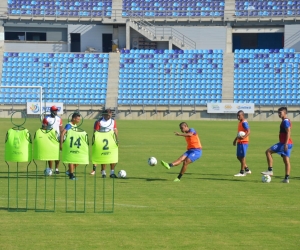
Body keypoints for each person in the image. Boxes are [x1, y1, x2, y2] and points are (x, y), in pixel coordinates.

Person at [261, 107, 293, 183]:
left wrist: (285, 143)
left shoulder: (285, 121)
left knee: (268, 151)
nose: (279, 114)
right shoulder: (287, 120)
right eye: (278, 112)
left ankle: (270, 170)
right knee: (286, 161)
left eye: (280, 113)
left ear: (285, 113)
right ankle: (286, 178)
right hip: (289, 143)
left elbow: (288, 132)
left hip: (284, 143)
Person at [91, 109, 118, 178]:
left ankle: (112, 172)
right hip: (102, 141)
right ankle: (103, 172)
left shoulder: (113, 121)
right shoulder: (99, 121)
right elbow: (95, 132)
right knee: (104, 156)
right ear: (104, 114)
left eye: (110, 115)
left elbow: (115, 130)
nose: (108, 116)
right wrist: (95, 141)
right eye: (107, 115)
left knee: (113, 157)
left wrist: (117, 140)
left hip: (111, 141)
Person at [60, 113, 81, 180]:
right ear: (74, 118)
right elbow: (63, 133)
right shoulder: (69, 125)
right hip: (69, 145)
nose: (79, 120)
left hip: (75, 145)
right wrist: (61, 144)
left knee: (78, 161)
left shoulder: (75, 125)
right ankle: (71, 175)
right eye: (78, 119)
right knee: (71, 160)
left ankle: (69, 171)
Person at [42, 105, 63, 174]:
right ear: (51, 111)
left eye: (56, 110)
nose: (55, 111)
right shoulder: (46, 118)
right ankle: (50, 169)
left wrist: (62, 136)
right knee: (50, 155)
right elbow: (43, 128)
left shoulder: (59, 119)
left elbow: (61, 128)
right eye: (54, 110)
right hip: (49, 139)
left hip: (57, 138)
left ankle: (56, 169)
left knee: (57, 155)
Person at [233, 110, 251, 177]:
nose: (237, 117)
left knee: (242, 157)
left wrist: (244, 137)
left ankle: (242, 172)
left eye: (239, 115)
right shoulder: (240, 122)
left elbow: (249, 131)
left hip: (244, 142)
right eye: (237, 115)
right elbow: (239, 133)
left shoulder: (244, 123)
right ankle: (247, 169)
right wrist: (235, 139)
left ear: (242, 115)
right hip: (240, 141)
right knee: (238, 156)